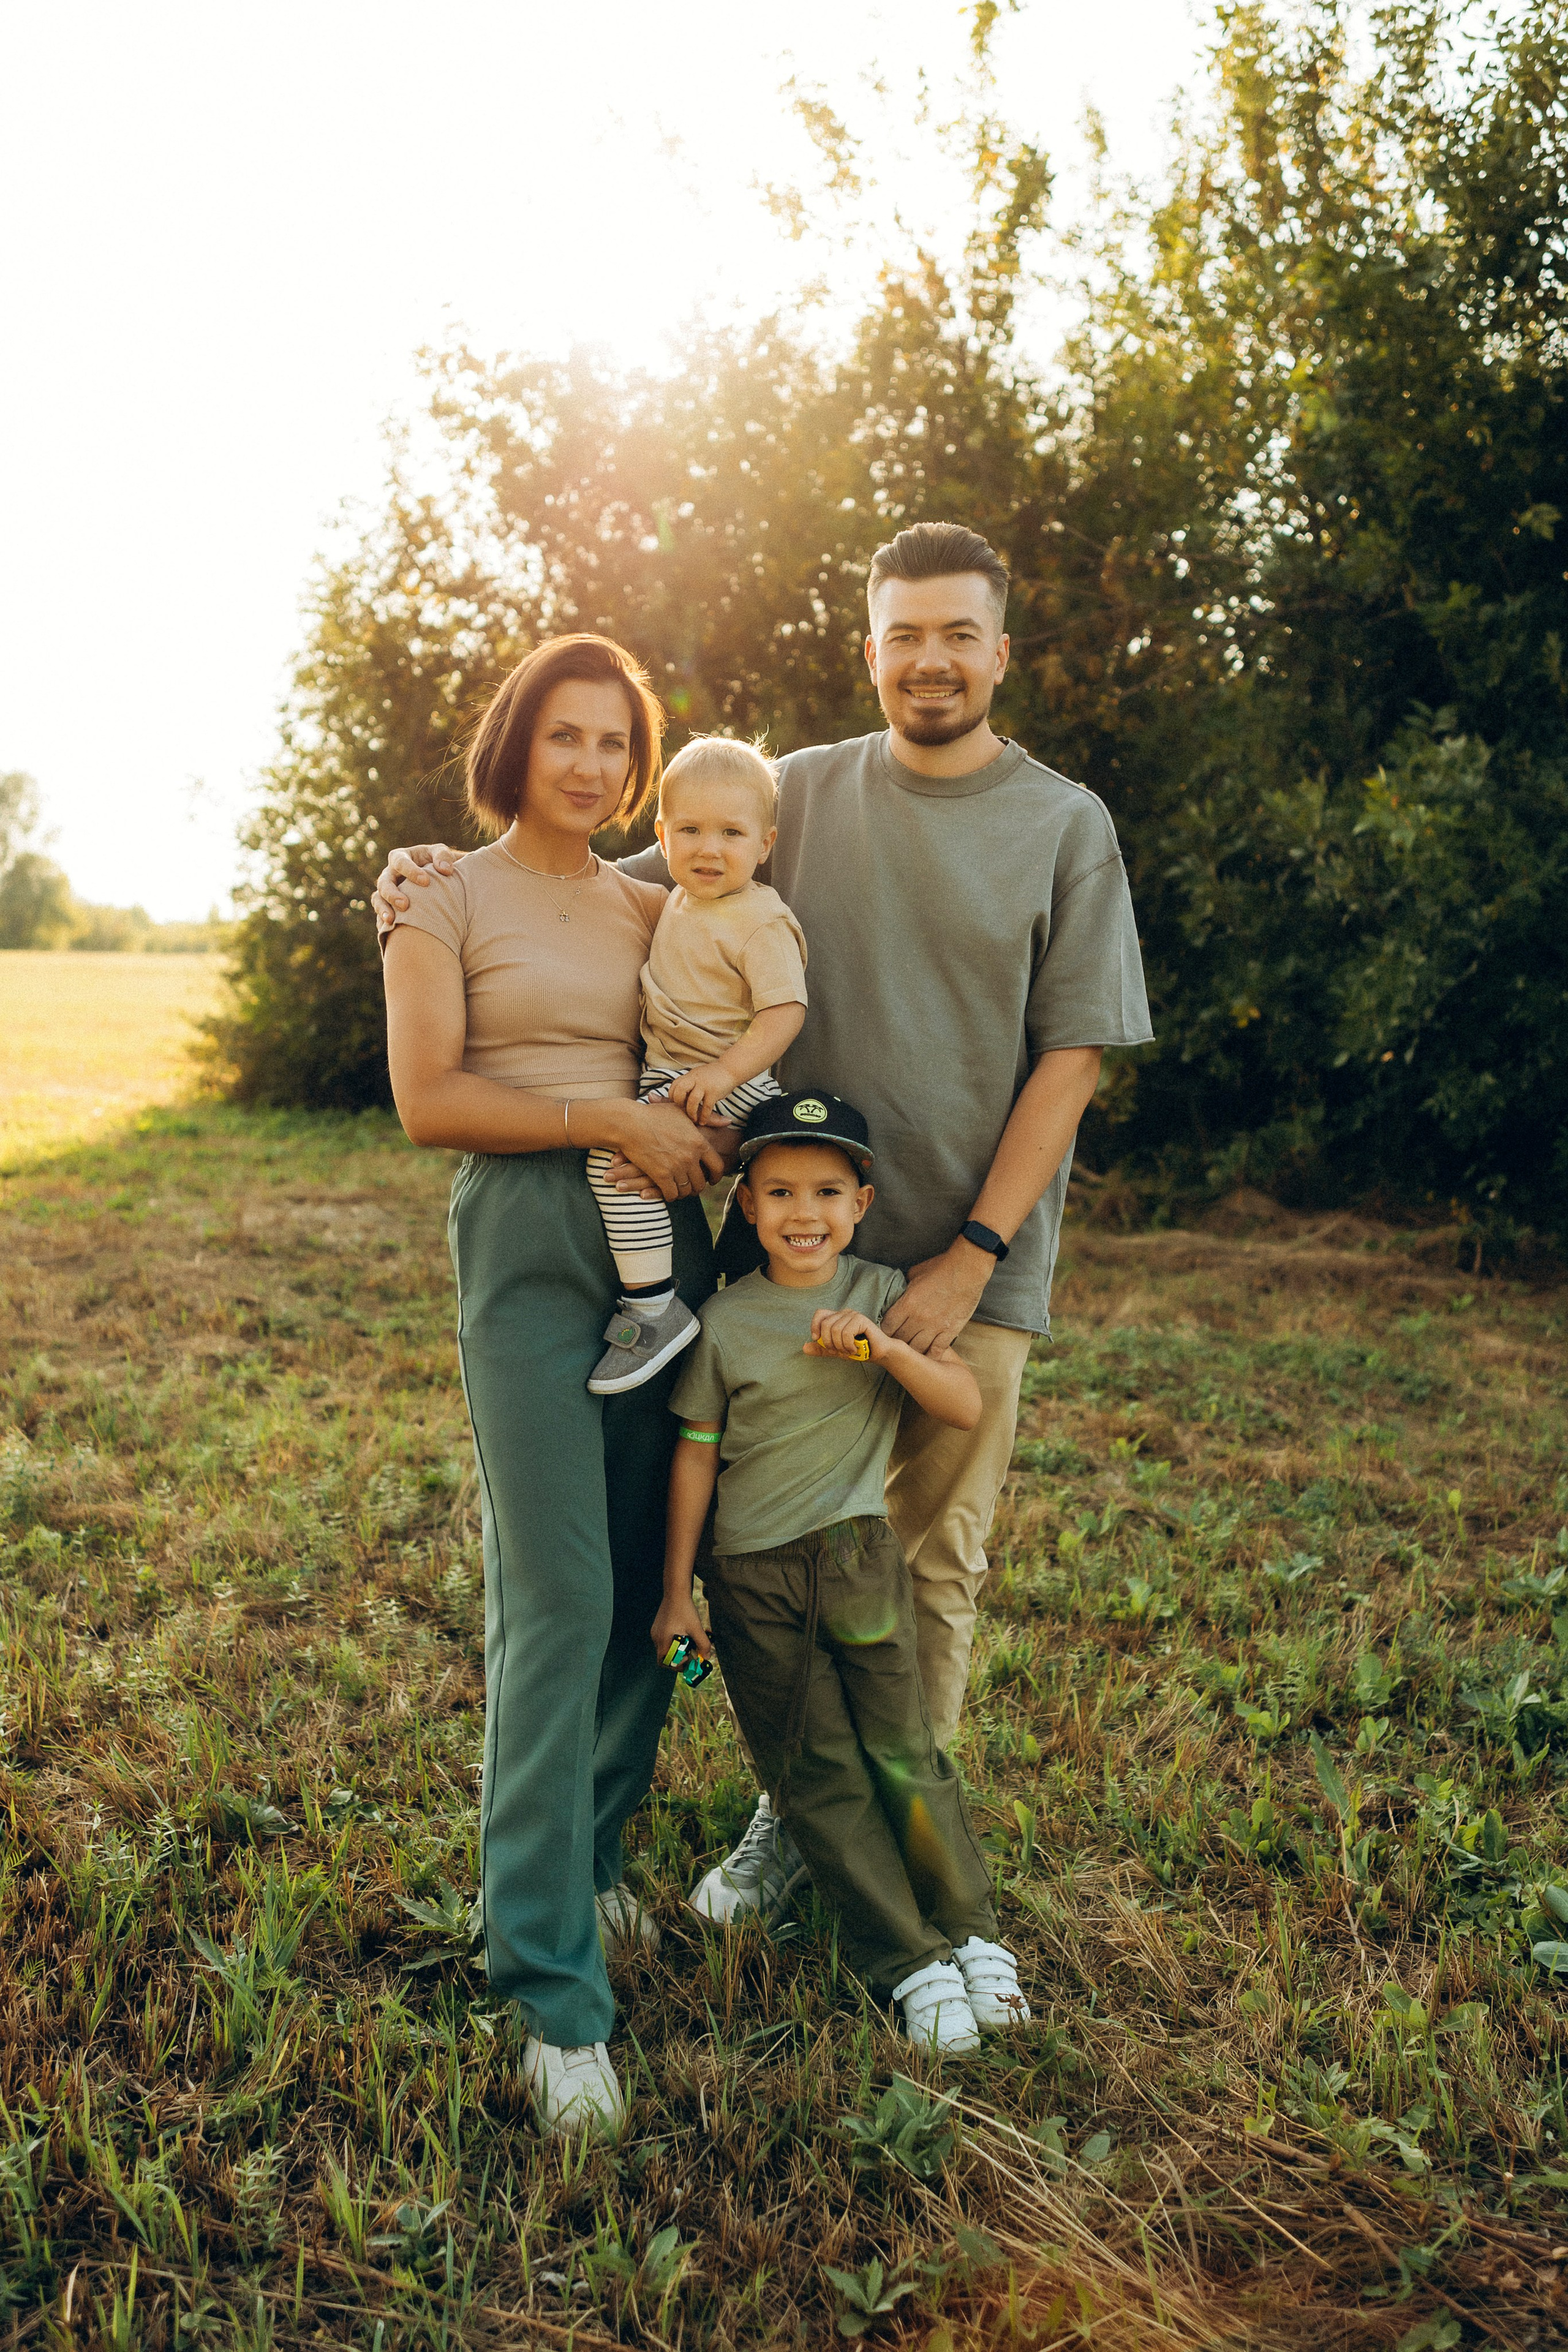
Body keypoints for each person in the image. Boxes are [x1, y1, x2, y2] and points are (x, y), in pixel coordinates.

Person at [373, 518, 1154, 1924]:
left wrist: (970, 1256)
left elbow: (1072, 1058)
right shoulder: (793, 790)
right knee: (767, 1552)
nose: (929, 659)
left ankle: (903, 1864)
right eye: (903, 635)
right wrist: (439, 876)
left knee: (924, 1563)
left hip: (961, 1262)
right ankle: (792, 1817)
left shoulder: (1063, 825)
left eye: (957, 634)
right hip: (779, 1249)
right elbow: (612, 884)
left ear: (999, 650)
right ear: (870, 649)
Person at [380, 631, 728, 2141]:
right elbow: (428, 1100)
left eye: (614, 741)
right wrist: (606, 1119)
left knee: (651, 1579)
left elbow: (728, 1026)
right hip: (528, 1238)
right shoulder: (437, 894)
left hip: (666, 1244)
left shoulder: (657, 905)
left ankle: (588, 1859)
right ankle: (546, 1984)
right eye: (564, 733)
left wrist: (705, 1129)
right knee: (559, 1593)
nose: (589, 762)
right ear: (515, 742)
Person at [655, 1091, 1030, 2052]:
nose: (803, 1212)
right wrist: (676, 1593)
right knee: (816, 1771)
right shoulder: (726, 1321)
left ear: (862, 1203)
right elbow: (695, 1454)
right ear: (746, 1205)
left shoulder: (883, 1293)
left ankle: (971, 1933)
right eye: (779, 1191)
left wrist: (887, 1349)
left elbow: (961, 1405)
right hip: (752, 1579)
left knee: (905, 1751)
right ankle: (908, 1960)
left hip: (861, 1564)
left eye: (827, 1190)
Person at [584, 734, 807, 1396]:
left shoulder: (760, 919)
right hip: (676, 1074)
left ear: (764, 844)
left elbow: (784, 1014)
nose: (709, 849)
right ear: (662, 835)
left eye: (731, 833)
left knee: (614, 1157)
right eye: (690, 830)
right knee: (627, 1157)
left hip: (728, 1077)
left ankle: (653, 1307)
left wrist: (723, 1076)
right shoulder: (675, 900)